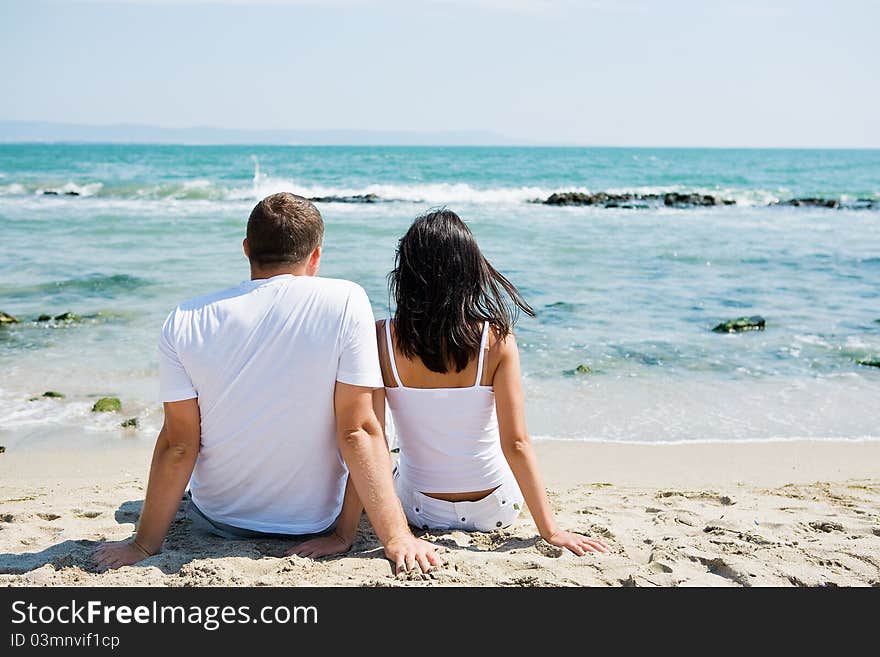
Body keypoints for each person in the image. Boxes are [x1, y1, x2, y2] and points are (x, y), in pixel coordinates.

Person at [93, 192, 438, 574]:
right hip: (314, 523)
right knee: (368, 402)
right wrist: (395, 538)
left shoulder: (185, 318)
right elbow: (358, 430)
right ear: (316, 256)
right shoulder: (346, 301)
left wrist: (143, 545)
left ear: (246, 249)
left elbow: (179, 444)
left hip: (219, 520)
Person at [314, 208, 608, 557]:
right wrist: (551, 530)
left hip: (419, 510)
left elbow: (369, 439)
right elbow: (516, 443)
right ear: (468, 271)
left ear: (406, 273)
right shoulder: (497, 340)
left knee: (386, 459)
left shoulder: (382, 339)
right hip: (497, 507)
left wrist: (343, 534)